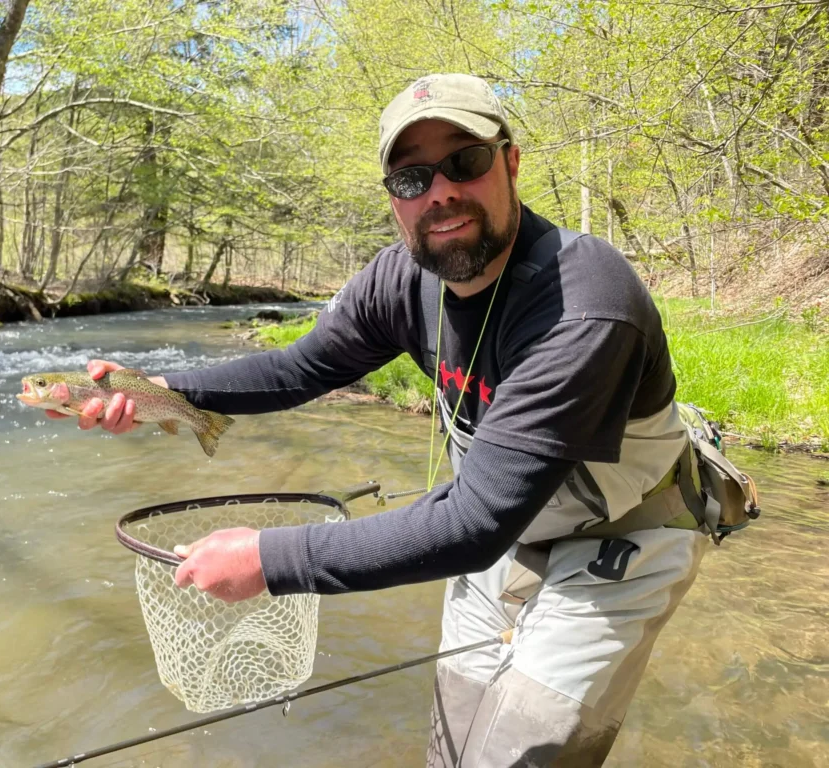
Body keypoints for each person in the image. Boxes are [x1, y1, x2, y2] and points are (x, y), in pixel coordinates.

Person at [50, 74, 715, 766]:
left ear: (510, 162)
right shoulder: (400, 280)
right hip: (503, 536)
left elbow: (473, 526)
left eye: (465, 161)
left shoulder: (583, 302)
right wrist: (166, 389)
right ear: (393, 199)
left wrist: (270, 560)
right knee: (452, 747)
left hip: (620, 541)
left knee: (515, 757)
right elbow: (296, 370)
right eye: (412, 178)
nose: (441, 193)